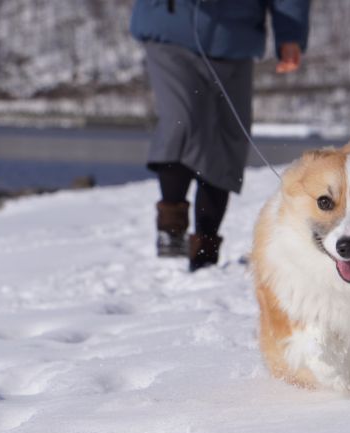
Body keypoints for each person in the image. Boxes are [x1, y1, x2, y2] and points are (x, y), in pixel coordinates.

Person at [130, 0, 311, 271]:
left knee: (227, 141)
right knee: (183, 120)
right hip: (171, 27)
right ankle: (171, 227)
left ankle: (206, 252)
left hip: (234, 37)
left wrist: (290, 34)